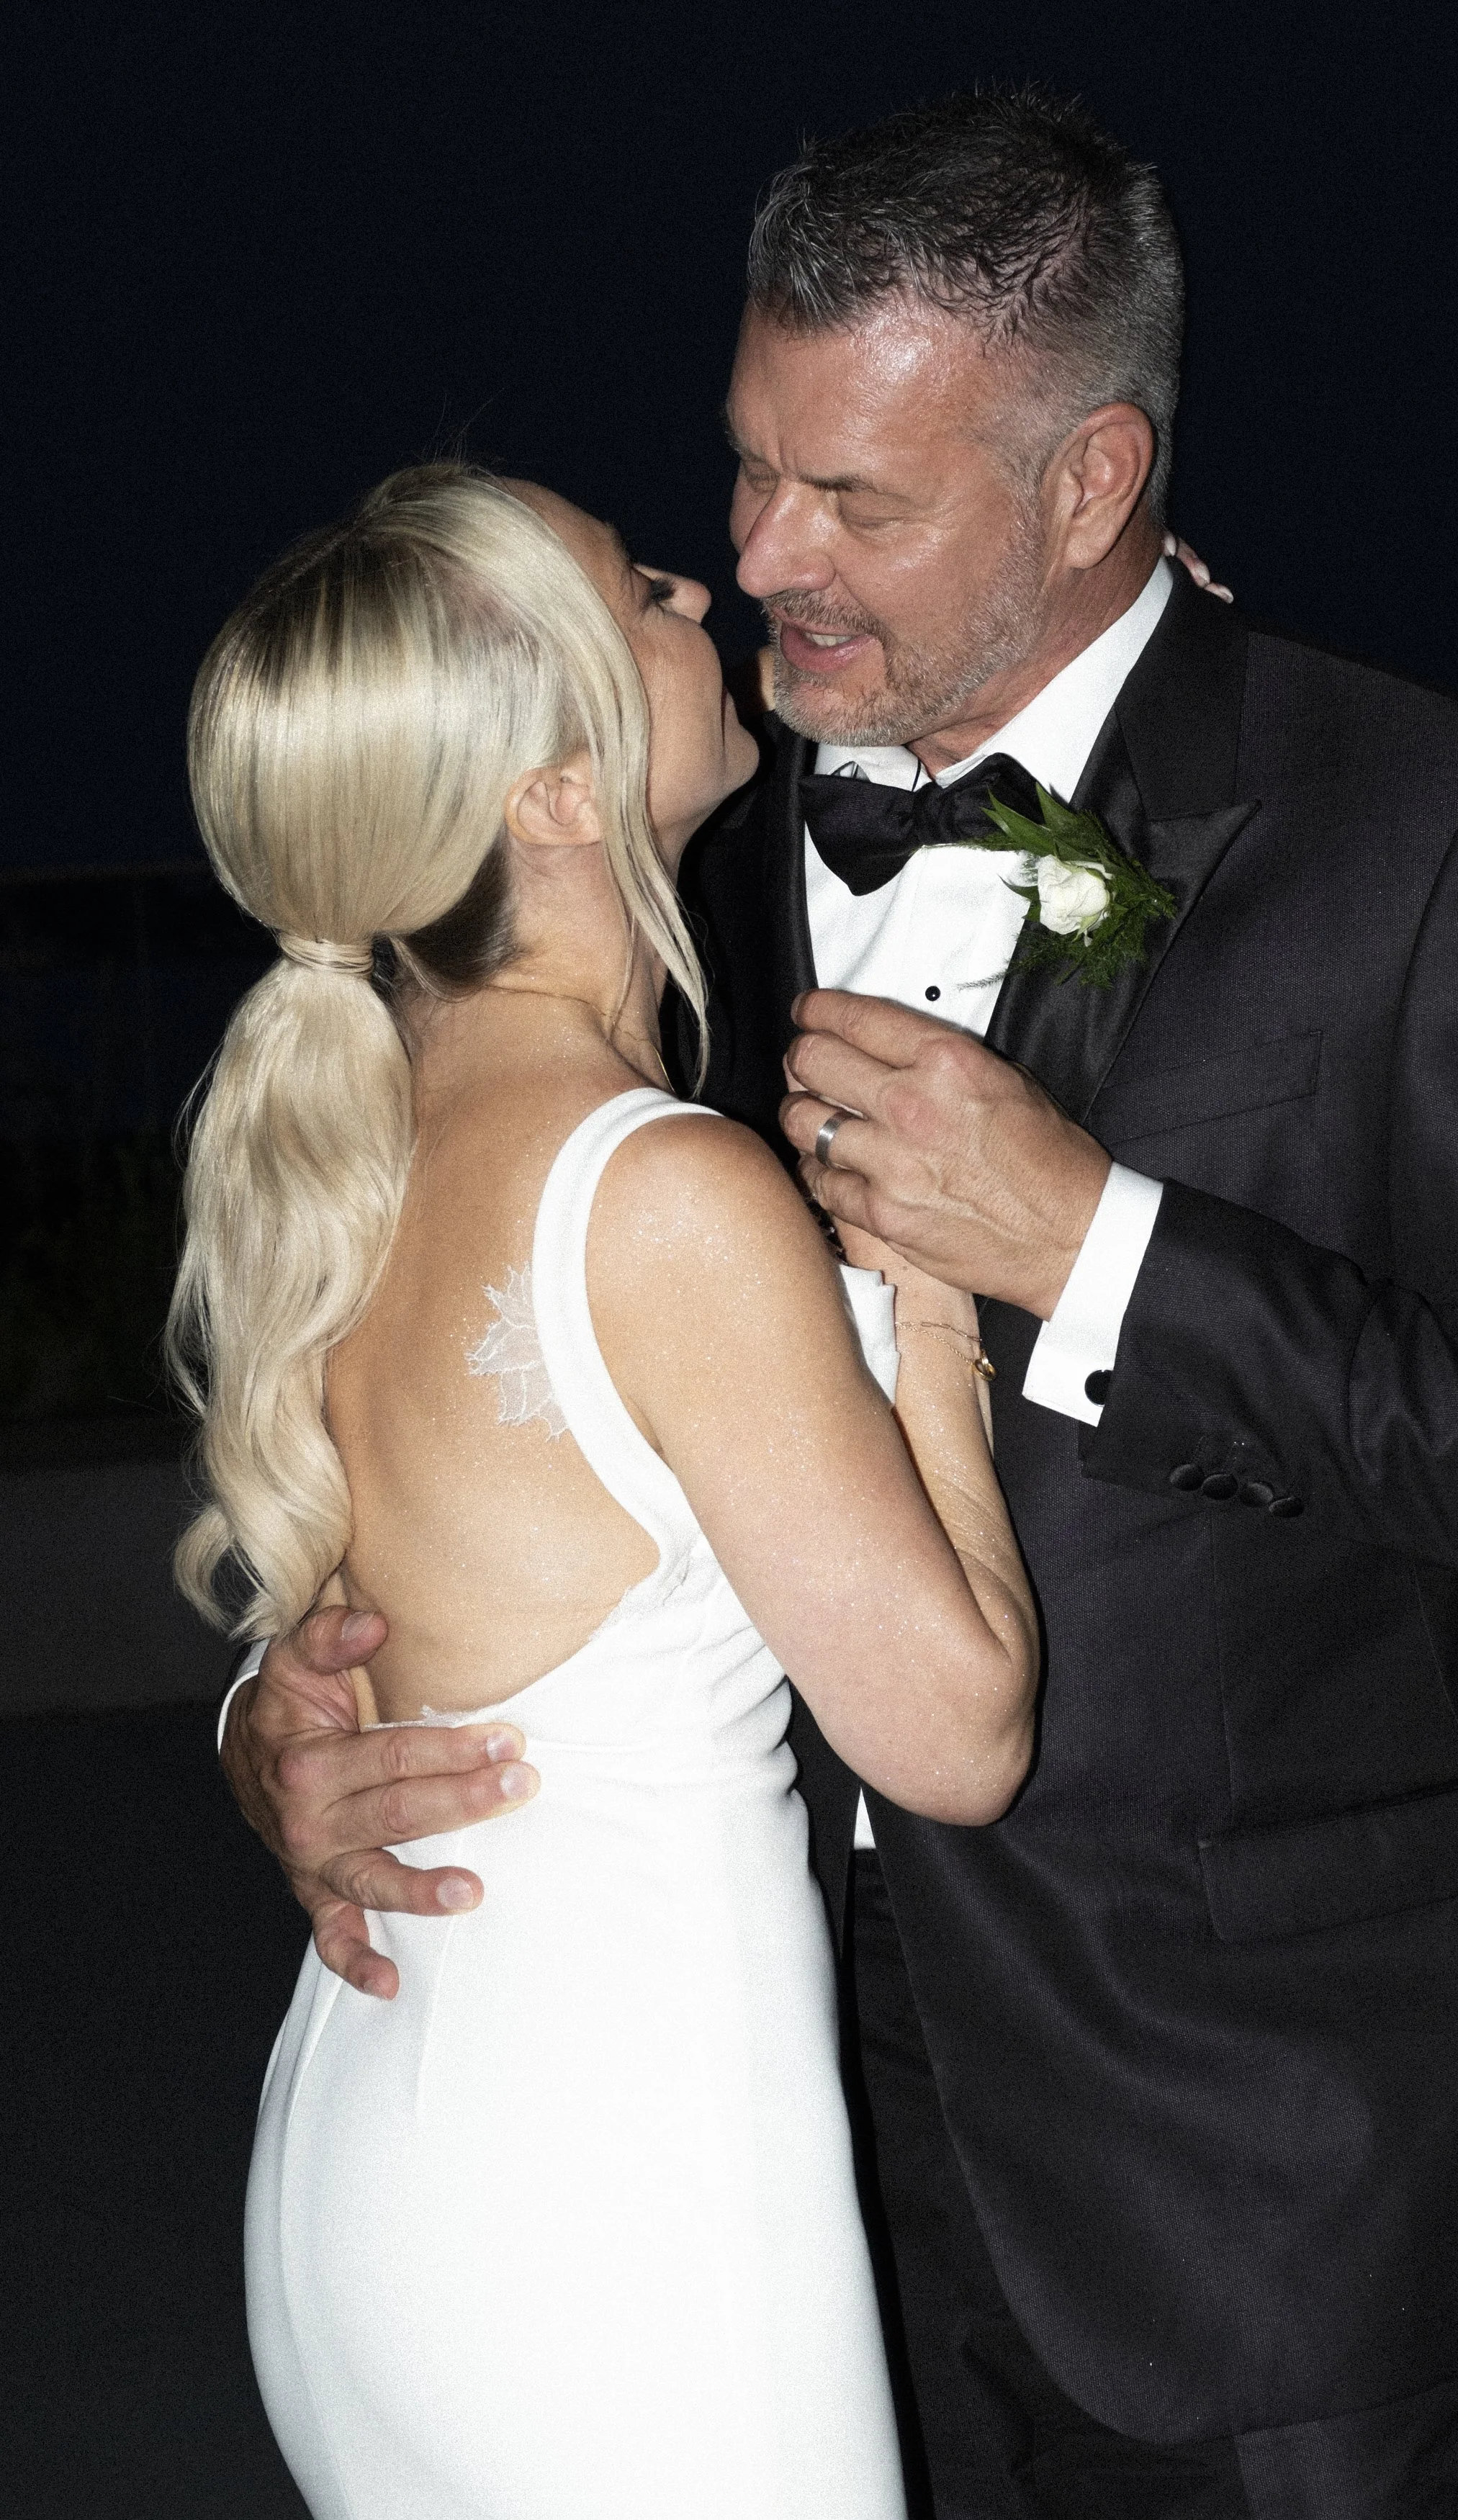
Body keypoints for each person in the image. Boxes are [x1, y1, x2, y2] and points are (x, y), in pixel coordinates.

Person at [220, 91, 1458, 2520]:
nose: (750, 560)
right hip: (769, 2168)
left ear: (1085, 478)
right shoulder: (670, 858)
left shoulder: (1437, 833)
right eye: (743, 470)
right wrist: (297, 1710)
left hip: (1259, 2191)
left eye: (857, 502)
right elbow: (484, 1373)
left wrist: (1097, 1248)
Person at [173, 460, 1038, 2519]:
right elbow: (958, 1731)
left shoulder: (357, 1161)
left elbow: (363, 1641)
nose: (699, 582)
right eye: (640, 587)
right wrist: (922, 1307)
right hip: (622, 2217)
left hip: (394, 2145)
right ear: (556, 792)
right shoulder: (655, 1189)